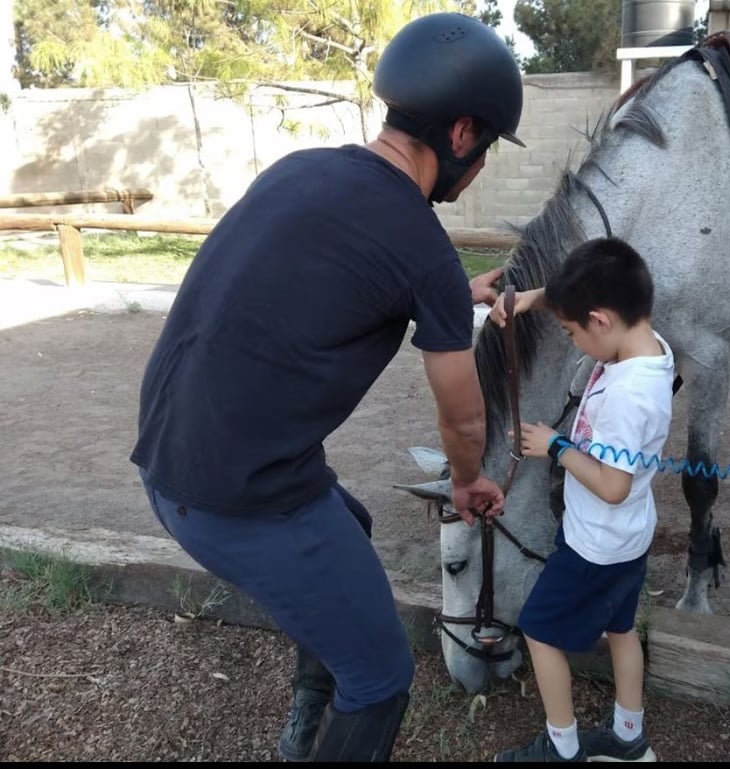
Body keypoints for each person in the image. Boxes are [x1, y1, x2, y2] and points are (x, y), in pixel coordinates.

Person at [129, 12, 525, 763]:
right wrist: (469, 483)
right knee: (382, 676)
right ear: (463, 134)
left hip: (165, 464)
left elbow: (335, 272)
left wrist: (449, 294)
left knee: (352, 521)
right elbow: (463, 417)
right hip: (240, 502)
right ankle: (336, 705)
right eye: (490, 148)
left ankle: (308, 718)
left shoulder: (300, 168)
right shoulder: (421, 247)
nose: (483, 167)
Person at [488, 236, 674, 762]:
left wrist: (557, 446)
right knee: (620, 629)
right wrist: (530, 299)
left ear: (599, 320)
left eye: (572, 332)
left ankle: (562, 748)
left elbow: (613, 487)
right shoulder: (648, 343)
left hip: (595, 543)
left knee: (540, 630)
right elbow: (591, 297)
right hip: (630, 538)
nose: (573, 342)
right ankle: (628, 737)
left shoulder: (626, 395)